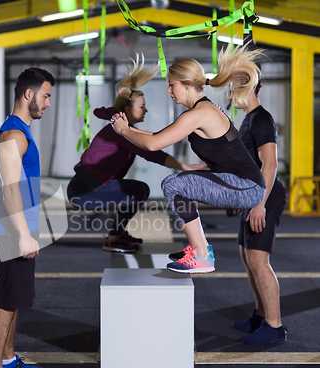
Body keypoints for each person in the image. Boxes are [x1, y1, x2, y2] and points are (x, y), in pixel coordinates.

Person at [111, 44, 266, 274]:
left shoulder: (200, 113)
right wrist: (125, 128)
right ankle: (201, 249)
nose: (168, 91)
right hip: (239, 181)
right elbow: (157, 136)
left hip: (247, 186)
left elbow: (153, 144)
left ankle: (202, 255)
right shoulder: (197, 112)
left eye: (171, 85)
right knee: (180, 183)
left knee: (174, 185)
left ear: (187, 85)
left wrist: (125, 132)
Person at [67, 56, 205, 253]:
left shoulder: (123, 127)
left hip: (87, 187)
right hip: (83, 191)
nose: (146, 109)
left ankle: (117, 234)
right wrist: (183, 166)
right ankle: (115, 237)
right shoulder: (120, 130)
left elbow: (151, 142)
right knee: (138, 191)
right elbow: (151, 152)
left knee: (136, 190)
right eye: (142, 106)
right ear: (127, 109)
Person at [0, 67, 55, 368]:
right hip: (11, 226)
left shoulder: (20, 131)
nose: (48, 103)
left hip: (18, 224)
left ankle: (7, 360)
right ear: (29, 94)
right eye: (46, 96)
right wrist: (24, 234)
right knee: (7, 300)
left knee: (15, 297)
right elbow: (10, 189)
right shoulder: (13, 135)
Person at [230, 79, 288, 345]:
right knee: (247, 256)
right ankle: (260, 315)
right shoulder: (248, 119)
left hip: (266, 197)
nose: (230, 94)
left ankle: (274, 327)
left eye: (233, 89)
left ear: (248, 88)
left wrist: (259, 203)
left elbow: (270, 164)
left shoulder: (262, 119)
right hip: (253, 196)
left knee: (258, 261)